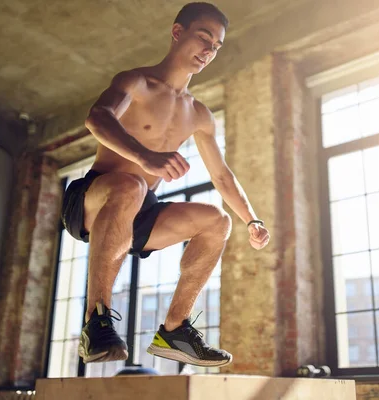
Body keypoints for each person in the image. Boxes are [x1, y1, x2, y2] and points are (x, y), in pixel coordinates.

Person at [61, 2, 270, 368]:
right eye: (203, 37)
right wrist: (145, 158)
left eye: (216, 47)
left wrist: (251, 219)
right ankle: (97, 320)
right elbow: (97, 118)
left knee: (216, 220)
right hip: (94, 198)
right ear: (178, 33)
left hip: (139, 210)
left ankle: (174, 330)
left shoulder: (199, 114)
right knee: (131, 186)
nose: (208, 51)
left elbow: (222, 175)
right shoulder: (137, 82)